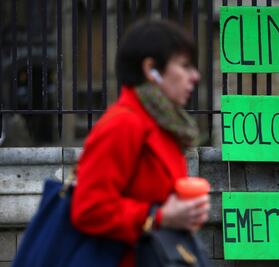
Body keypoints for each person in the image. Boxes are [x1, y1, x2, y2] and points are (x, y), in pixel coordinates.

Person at [70, 19, 210, 267]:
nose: (195, 76)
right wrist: (158, 216)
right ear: (150, 69)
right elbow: (88, 209)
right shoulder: (123, 123)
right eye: (185, 66)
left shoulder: (163, 123)